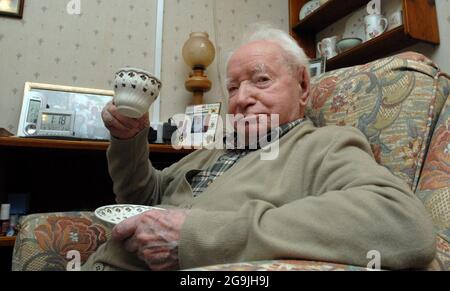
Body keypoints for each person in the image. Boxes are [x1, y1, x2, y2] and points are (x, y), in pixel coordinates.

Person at [83, 25, 435, 271]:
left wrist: (197, 237)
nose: (242, 99)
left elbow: (402, 223)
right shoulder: (219, 147)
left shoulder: (324, 145)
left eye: (261, 80)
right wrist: (129, 141)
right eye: (233, 87)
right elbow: (144, 197)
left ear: (302, 86)